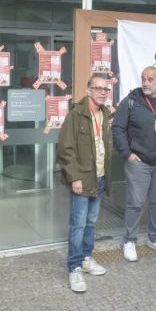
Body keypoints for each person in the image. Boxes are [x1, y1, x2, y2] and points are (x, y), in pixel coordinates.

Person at [112, 66, 156, 261]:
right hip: (138, 162)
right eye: (144, 78)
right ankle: (129, 241)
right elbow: (117, 128)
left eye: (150, 79)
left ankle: (155, 238)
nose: (146, 83)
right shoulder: (131, 102)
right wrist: (127, 154)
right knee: (135, 204)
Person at [57, 74, 112, 293]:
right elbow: (65, 149)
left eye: (106, 89)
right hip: (82, 178)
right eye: (98, 88)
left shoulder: (104, 113)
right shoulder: (76, 114)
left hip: (99, 176)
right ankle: (74, 267)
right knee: (78, 224)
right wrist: (75, 177)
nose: (102, 92)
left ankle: (86, 258)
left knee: (91, 222)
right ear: (88, 90)